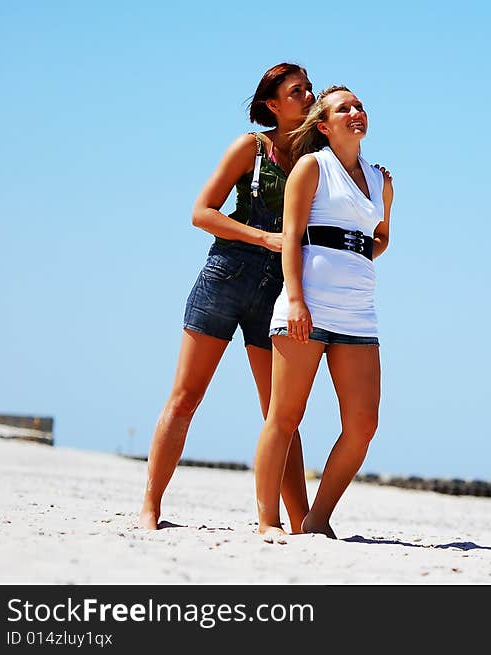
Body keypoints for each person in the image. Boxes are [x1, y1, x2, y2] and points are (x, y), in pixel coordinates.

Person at [139, 63, 315, 532]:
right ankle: (151, 508)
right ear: (272, 105)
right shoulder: (250, 148)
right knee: (185, 397)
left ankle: (301, 520)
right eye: (297, 91)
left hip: (277, 292)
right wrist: (263, 239)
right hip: (226, 276)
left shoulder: (319, 158)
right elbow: (201, 212)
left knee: (281, 412)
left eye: (309, 89)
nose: (307, 95)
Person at [254, 85, 393, 542]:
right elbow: (291, 238)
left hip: (358, 310)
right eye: (342, 109)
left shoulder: (382, 180)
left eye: (359, 106)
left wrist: (354, 258)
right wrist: (295, 300)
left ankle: (317, 518)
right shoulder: (312, 167)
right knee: (285, 415)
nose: (355, 112)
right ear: (323, 125)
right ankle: (268, 520)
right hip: (307, 303)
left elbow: (381, 237)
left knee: (363, 425)